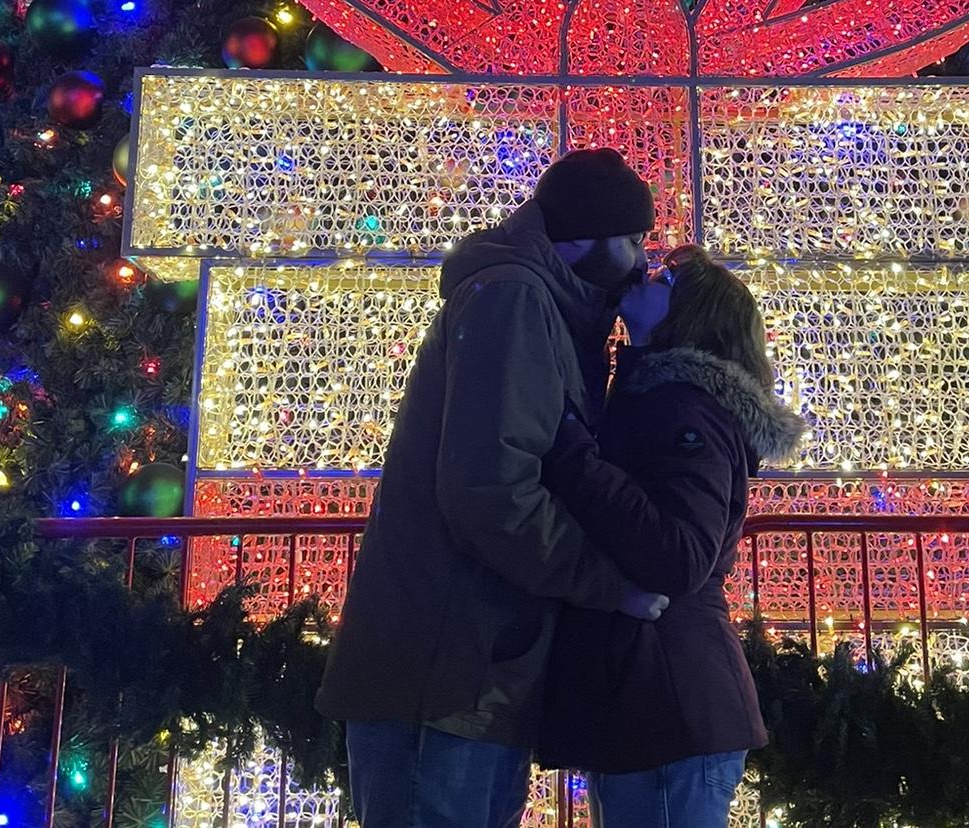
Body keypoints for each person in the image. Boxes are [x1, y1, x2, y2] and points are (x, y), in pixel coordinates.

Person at [316, 147, 670, 828]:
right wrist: (610, 584)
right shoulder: (515, 299)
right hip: (448, 670)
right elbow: (491, 490)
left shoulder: (552, 308)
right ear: (584, 240)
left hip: (479, 665)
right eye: (632, 239)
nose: (640, 260)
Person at [538, 245, 806, 828]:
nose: (646, 273)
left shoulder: (685, 411)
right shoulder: (653, 397)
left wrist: (573, 459)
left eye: (666, 278)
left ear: (688, 315)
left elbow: (680, 557)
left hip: (668, 704)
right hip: (650, 703)